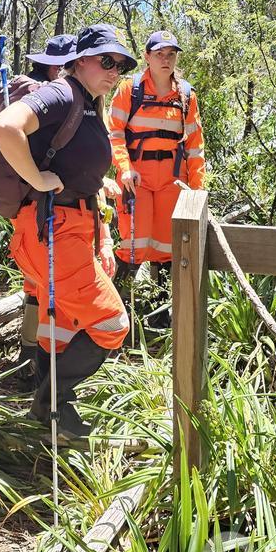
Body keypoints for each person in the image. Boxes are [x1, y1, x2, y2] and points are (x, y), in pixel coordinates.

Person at [0, 24, 134, 441]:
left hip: (72, 226)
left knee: (64, 324)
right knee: (112, 324)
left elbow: (81, 171)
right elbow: (6, 127)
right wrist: (36, 178)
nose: (114, 70)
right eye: (106, 60)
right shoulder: (63, 93)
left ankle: (51, 419)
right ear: (80, 60)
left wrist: (100, 229)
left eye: (121, 65)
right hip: (52, 229)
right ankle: (51, 402)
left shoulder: (90, 104)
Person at [108, 30, 204, 329]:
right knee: (131, 246)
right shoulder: (129, 90)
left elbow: (195, 146)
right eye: (159, 54)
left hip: (172, 183)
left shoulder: (186, 96)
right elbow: (114, 134)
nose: (166, 60)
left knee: (167, 250)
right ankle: (115, 317)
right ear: (147, 57)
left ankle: (160, 319)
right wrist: (124, 168)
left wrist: (197, 191)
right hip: (136, 182)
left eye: (171, 54)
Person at [13, 34, 78, 386]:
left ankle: (29, 358)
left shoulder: (32, 93)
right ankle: (38, 367)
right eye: (67, 66)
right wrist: (39, 180)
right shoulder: (48, 99)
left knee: (35, 284)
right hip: (40, 210)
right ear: (55, 66)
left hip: (24, 209)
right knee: (46, 287)